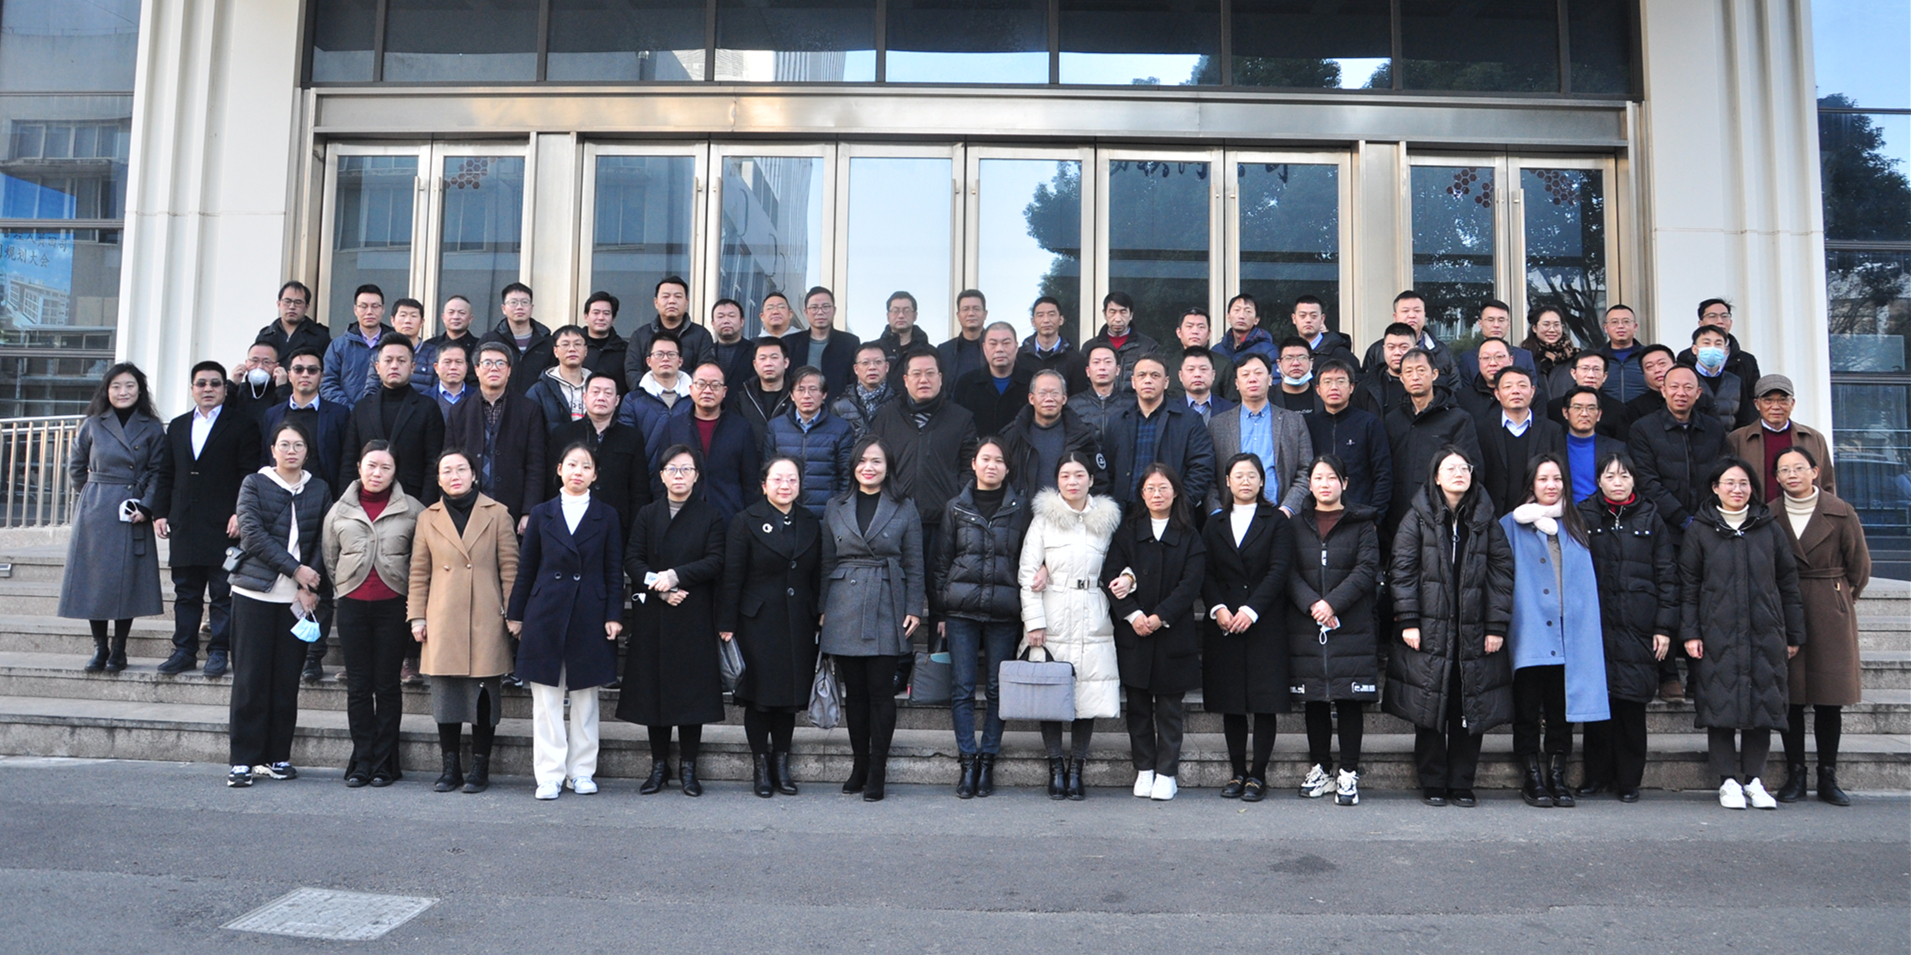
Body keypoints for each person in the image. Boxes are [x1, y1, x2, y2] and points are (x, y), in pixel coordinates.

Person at [1386, 447, 1515, 808]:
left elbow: (1502, 574)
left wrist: (1496, 625)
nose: (1459, 473)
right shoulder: (1417, 517)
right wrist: (1408, 620)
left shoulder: (1485, 518)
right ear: (1436, 477)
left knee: (1468, 705)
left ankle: (1461, 782)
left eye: (1465, 468)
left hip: (1473, 629)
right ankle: (1432, 781)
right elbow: (1402, 571)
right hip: (1429, 627)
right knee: (1429, 707)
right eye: (1450, 468)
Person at [1679, 457, 1807, 811]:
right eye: (1729, 483)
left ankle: (1754, 780)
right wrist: (1690, 632)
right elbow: (1688, 585)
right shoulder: (1701, 530)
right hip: (1716, 631)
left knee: (1762, 705)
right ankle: (1727, 781)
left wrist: (1793, 634)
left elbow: (1788, 583)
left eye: (1744, 483)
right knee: (1719, 705)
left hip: (1765, 631)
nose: (1737, 489)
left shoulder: (1768, 528)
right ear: (1715, 488)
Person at [506, 444, 624, 800]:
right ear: (559, 469)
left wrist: (614, 614)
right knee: (546, 699)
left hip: (590, 612)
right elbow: (527, 567)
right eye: (572, 464)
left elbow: (613, 569)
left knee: (586, 698)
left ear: (595, 474)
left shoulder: (607, 515)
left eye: (586, 466)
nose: (578, 471)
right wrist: (516, 613)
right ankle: (550, 774)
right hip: (546, 612)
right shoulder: (542, 513)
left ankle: (582, 771)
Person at [224, 420, 333, 788]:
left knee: (286, 680)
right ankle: (243, 760)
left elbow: (323, 540)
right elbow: (253, 535)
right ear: (272, 450)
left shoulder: (318, 488)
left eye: (298, 445)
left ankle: (277, 756)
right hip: (254, 594)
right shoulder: (254, 484)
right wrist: (296, 570)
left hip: (297, 599)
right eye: (284, 444)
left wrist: (310, 583)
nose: (291, 451)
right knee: (250, 679)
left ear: (307, 451)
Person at [821, 436, 927, 802]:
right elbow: (826, 560)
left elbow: (914, 562)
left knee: (881, 692)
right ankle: (860, 765)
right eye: (863, 461)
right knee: (855, 694)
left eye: (877, 461)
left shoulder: (904, 506)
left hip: (886, 599)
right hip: (843, 602)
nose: (869, 467)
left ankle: (878, 769)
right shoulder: (835, 505)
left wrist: (914, 606)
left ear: (888, 467)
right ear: (853, 466)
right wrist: (822, 607)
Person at [618, 444, 727, 797]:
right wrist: (659, 587)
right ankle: (659, 766)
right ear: (662, 475)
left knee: (692, 694)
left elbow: (715, 560)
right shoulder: (647, 514)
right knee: (655, 693)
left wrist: (676, 576)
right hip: (655, 612)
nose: (679, 476)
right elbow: (632, 559)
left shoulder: (710, 516)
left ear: (697, 476)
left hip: (693, 613)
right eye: (672, 470)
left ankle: (689, 768)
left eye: (686, 469)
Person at [1500, 453, 1608, 808]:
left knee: (1562, 711)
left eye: (1557, 479)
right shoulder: (1511, 524)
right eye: (1543, 479)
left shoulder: (1575, 522)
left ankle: (1557, 775)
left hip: (1570, 632)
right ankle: (1532, 777)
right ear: (1531, 484)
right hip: (1530, 631)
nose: (1551, 485)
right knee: (1527, 709)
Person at [409, 450, 519, 795]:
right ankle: (450, 767)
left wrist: (513, 614)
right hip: (442, 616)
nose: (454, 476)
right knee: (446, 696)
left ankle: (480, 767)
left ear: (474, 474)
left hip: (486, 615)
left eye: (461, 469)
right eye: (447, 471)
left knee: (484, 696)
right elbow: (418, 571)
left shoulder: (497, 513)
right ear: (438, 479)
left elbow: (510, 568)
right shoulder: (427, 517)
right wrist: (417, 616)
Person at [931, 437, 1032, 798]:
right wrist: (941, 609)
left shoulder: (1021, 508)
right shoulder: (956, 508)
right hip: (961, 611)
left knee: (996, 689)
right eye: (985, 459)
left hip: (1004, 611)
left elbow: (1029, 555)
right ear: (973, 464)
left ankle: (988, 759)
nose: (992, 466)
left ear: (1007, 468)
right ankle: (967, 762)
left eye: (999, 460)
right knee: (961, 688)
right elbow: (941, 562)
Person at [1019, 452, 1123, 801]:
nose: (1072, 481)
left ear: (1091, 479)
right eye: (1065, 475)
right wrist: (1034, 621)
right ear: (1057, 480)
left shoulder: (1106, 519)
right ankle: (1055, 767)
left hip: (1093, 610)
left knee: (1087, 694)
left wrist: (1127, 579)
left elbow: (1123, 562)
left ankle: (1076, 768)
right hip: (1053, 612)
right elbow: (1027, 572)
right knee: (1050, 692)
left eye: (1079, 475)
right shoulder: (1043, 519)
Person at [718, 456, 824, 798]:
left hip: (798, 621)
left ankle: (782, 763)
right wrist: (726, 621)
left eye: (792, 479)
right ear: (764, 485)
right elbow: (732, 575)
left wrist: (820, 611)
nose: (785, 486)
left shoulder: (810, 522)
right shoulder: (745, 521)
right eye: (777, 479)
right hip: (757, 622)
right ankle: (760, 767)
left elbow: (818, 573)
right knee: (759, 698)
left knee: (788, 699)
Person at [1771, 446, 1870, 807]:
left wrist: (1840, 597)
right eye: (1784, 470)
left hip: (1830, 607)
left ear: (1815, 472)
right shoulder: (1770, 514)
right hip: (1786, 605)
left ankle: (1828, 775)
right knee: (1792, 698)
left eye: (1799, 468)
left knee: (1830, 698)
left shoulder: (1840, 511)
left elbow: (1859, 566)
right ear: (1777, 478)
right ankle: (1795, 773)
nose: (1792, 475)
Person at [1101, 463, 1206, 802]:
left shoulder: (1189, 535)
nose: (1157, 494)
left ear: (1175, 492)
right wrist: (1133, 615)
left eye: (1163, 488)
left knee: (1170, 710)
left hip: (1172, 634)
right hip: (1135, 633)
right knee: (1138, 708)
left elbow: (1191, 584)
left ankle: (1166, 772)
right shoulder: (1128, 532)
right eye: (1150, 488)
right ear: (1142, 494)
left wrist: (1160, 616)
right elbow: (1110, 575)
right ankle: (1144, 767)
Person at [1577, 452, 1679, 802]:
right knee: (1598, 705)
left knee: (1631, 705)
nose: (1617, 483)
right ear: (1598, 481)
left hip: (1639, 624)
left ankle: (1628, 780)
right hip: (1596, 624)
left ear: (1634, 480)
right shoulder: (1584, 515)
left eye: (1624, 476)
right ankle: (1596, 776)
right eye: (1609, 476)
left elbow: (1667, 575)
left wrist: (1664, 626)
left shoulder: (1651, 516)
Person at [321, 442, 423, 787]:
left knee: (388, 685)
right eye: (371, 465)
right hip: (352, 605)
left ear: (395, 473)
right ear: (359, 467)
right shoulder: (340, 509)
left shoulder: (412, 509)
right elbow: (330, 557)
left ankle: (384, 764)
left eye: (385, 467)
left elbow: (420, 559)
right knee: (359, 687)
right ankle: (361, 761)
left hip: (393, 606)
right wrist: (346, 584)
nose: (377, 473)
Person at [153, 361, 261, 678]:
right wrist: (160, 512)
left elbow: (248, 474)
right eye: (201, 383)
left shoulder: (242, 425)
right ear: (192, 389)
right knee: (186, 592)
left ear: (225, 389)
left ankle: (218, 651)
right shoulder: (177, 426)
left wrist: (241, 513)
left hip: (224, 523)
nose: (208, 389)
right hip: (184, 521)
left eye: (215, 383)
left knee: (222, 593)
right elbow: (166, 472)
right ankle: (184, 651)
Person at [1199, 453, 1295, 803]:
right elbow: (1205, 571)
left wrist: (1251, 610)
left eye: (1252, 475)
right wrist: (1218, 608)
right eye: (1238, 475)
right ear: (1227, 481)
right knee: (1232, 702)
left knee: (1264, 701)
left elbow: (1279, 569)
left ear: (1262, 481)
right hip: (1224, 623)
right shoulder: (1214, 522)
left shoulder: (1277, 520)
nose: (1244, 481)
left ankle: (1258, 775)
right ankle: (1237, 771)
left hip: (1264, 621)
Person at [1629, 363, 1727, 704]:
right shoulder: (1644, 429)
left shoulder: (1713, 429)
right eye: (1674, 387)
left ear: (1698, 393)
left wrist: (1704, 519)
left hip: (1708, 528)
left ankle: (1701, 675)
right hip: (1663, 528)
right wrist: (1682, 518)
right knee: (1665, 597)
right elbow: (1646, 481)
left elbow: (1722, 476)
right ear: (1663, 390)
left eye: (1688, 387)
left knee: (1704, 599)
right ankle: (1668, 673)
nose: (1681, 393)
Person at [60, 364, 166, 674]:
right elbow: (76, 466)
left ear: (139, 390)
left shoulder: (152, 427)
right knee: (94, 579)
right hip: (97, 509)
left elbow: (159, 471)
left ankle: (119, 648)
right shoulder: (93, 424)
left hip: (133, 509)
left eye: (130, 385)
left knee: (126, 580)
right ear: (107, 391)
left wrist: (146, 506)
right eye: (116, 386)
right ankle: (100, 647)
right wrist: (94, 493)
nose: (123, 392)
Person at [1287, 455, 1380, 806]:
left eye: (1331, 478)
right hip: (1307, 624)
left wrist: (1332, 604)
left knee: (1348, 699)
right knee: (1314, 699)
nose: (1324, 484)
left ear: (1345, 483)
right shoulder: (1295, 525)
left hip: (1350, 624)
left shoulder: (1362, 523)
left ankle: (1348, 772)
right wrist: (1313, 603)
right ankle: (1322, 768)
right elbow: (1287, 571)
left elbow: (1366, 569)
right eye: (1318, 478)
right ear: (1309, 484)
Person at [870, 349, 978, 586]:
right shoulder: (886, 417)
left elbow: (970, 468)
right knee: (896, 589)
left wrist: (955, 500)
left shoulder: (961, 419)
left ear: (940, 377)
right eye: (917, 374)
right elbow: (873, 462)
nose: (923, 380)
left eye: (930, 373)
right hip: (895, 519)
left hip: (944, 523)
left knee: (939, 589)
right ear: (905, 379)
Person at [448, 341, 549, 531]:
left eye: (500, 363)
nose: (494, 368)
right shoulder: (459, 412)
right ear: (476, 370)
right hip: (467, 509)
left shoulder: (529, 410)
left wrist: (529, 511)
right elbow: (449, 463)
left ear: (509, 370)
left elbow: (535, 465)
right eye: (487, 363)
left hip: (513, 508)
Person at [1383, 348, 1481, 539]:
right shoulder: (1392, 420)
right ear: (1401, 378)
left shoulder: (1458, 418)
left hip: (1442, 518)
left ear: (1434, 374)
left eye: (1421, 370)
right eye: (1408, 372)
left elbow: (1472, 469)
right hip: (1398, 518)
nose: (1415, 377)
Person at [342, 335, 447, 507]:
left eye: (401, 360)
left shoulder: (428, 408)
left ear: (412, 367)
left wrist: (425, 507)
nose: (394, 366)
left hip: (412, 502)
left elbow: (433, 463)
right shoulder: (362, 408)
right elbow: (349, 460)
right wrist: (348, 504)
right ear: (377, 367)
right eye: (388, 360)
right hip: (365, 503)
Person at [1103, 354, 1217, 514]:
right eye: (1142, 375)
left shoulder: (1188, 420)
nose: (1148, 380)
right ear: (1133, 382)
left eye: (1155, 375)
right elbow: (1107, 471)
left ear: (1166, 382)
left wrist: (1181, 504)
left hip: (1172, 515)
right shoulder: (1118, 421)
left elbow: (1202, 467)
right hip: (1125, 514)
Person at [1204, 353, 1311, 516]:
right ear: (1237, 383)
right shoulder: (1218, 424)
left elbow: (1306, 470)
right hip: (1230, 516)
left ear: (1270, 379)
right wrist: (1217, 513)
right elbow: (1208, 475)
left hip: (1280, 514)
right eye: (1245, 374)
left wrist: (1287, 510)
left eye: (1258, 373)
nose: (1252, 379)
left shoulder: (1293, 421)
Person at [548, 373, 652, 540]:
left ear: (617, 400)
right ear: (585, 397)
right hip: (569, 523)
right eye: (595, 392)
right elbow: (552, 483)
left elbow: (639, 491)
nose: (601, 397)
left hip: (617, 527)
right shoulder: (563, 434)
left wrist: (636, 533)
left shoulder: (632, 438)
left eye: (608, 393)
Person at [660, 362, 760, 523]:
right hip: (682, 515)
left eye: (715, 385)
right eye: (701, 384)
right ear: (691, 389)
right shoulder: (674, 427)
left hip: (729, 515)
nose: (707, 390)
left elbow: (750, 482)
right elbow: (661, 476)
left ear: (724, 391)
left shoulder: (741, 428)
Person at [1307, 359, 1392, 524]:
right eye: (1327, 382)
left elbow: (1383, 474)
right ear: (1318, 389)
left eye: (1341, 381)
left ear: (1352, 387)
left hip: (1360, 515)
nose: (1334, 387)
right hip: (1318, 516)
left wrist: (1376, 517)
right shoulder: (1310, 425)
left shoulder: (1369, 423)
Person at [763, 365, 855, 518]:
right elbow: (767, 472)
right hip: (785, 511)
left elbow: (846, 476)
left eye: (813, 389)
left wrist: (839, 511)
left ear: (824, 394)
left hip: (825, 513)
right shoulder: (775, 427)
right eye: (800, 390)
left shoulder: (841, 428)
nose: (806, 395)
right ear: (792, 395)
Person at [999, 369, 1107, 497]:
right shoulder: (1013, 435)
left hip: (1069, 507)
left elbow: (1100, 480)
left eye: (1055, 393)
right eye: (1043, 393)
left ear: (1064, 398)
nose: (1049, 399)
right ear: (1031, 398)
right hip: (1023, 508)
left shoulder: (1082, 435)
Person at [1727, 374, 1835, 502]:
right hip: (1755, 512)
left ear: (1792, 403)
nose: (1776, 407)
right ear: (1757, 404)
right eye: (1768, 400)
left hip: (1803, 511)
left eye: (1783, 400)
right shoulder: (1738, 439)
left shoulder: (1813, 438)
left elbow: (1827, 484)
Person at [1475, 367, 1566, 517]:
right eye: (1508, 386)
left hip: (1540, 516)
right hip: (1494, 516)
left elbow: (1562, 475)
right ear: (1497, 394)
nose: (1515, 391)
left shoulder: (1552, 430)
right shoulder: (1482, 430)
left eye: (1522, 386)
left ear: (1532, 391)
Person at [264, 348, 351, 491]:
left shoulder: (339, 414)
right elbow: (265, 458)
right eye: (298, 369)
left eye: (312, 370)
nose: (305, 375)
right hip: (278, 495)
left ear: (321, 376)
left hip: (325, 495)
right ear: (289, 375)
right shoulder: (272, 414)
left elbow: (347, 461)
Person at [625, 276, 715, 389]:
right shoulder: (640, 336)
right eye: (666, 296)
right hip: (647, 397)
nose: (672, 301)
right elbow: (632, 371)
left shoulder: (701, 335)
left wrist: (682, 392)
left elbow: (705, 372)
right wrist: (651, 392)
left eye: (678, 296)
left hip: (689, 397)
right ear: (656, 302)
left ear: (686, 302)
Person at [617, 332, 694, 459]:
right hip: (645, 470)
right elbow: (626, 446)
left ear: (680, 361)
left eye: (671, 354)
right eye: (659, 354)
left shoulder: (695, 399)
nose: (665, 359)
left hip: (687, 470)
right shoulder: (633, 400)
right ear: (648, 361)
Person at [320, 284, 393, 407]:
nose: (369, 312)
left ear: (383, 309)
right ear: (355, 310)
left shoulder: (395, 345)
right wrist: (351, 410)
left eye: (375, 306)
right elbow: (327, 384)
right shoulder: (338, 345)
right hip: (347, 414)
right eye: (363, 306)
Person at [953, 322, 1030, 437]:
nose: (999, 349)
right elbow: (958, 427)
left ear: (1016, 347)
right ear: (984, 348)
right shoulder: (966, 384)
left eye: (1006, 343)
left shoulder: (1033, 383)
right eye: (993, 344)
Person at [1362, 291, 1457, 380]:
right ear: (1395, 317)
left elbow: (1454, 385)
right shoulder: (1376, 350)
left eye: (1417, 310)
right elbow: (1368, 384)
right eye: (1405, 311)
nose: (1412, 315)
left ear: (1424, 315)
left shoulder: (1442, 351)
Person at [479, 282, 553, 395]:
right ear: (504, 308)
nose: (519, 307)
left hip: (537, 404)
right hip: (498, 402)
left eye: (524, 302)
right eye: (513, 302)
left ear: (531, 307)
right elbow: (473, 374)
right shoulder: (490, 340)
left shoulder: (547, 341)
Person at [1560, 387, 1627, 504]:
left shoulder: (1616, 448)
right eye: (1577, 407)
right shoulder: (1554, 446)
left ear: (1599, 414)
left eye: (1591, 408)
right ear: (1566, 413)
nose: (1584, 414)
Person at [1677, 298, 1762, 389]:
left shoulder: (1747, 360)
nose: (1720, 321)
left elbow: (1753, 394)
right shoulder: (1685, 357)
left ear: (1730, 322)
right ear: (1701, 323)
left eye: (1724, 316)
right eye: (1712, 316)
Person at [1081, 291, 1159, 389]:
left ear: (1131, 315)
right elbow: (1082, 382)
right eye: (1112, 312)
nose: (1117, 318)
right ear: (1105, 314)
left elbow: (1156, 380)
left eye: (1123, 312)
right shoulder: (1090, 347)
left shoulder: (1148, 346)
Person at [360, 297, 436, 396]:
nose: (407, 321)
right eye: (403, 315)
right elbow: (371, 390)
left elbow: (437, 392)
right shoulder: (379, 354)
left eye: (413, 316)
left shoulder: (434, 355)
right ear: (392, 320)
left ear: (422, 322)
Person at [523, 325, 592, 433]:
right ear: (555, 351)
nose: (572, 349)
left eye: (577, 344)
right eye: (565, 344)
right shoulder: (539, 391)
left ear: (586, 350)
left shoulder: (598, 386)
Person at [1544, 352, 1628, 441]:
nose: (1590, 375)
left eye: (1596, 369)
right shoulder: (1554, 407)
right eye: (1585, 368)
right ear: (1573, 373)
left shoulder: (1618, 409)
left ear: (1604, 376)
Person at [1683, 324, 1752, 431]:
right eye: (1706, 343)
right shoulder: (1685, 379)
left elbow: (1744, 419)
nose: (1712, 348)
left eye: (1718, 344)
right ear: (1695, 349)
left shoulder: (1735, 382)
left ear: (1725, 351)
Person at [795, 286, 861, 396]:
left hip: (838, 405)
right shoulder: (791, 343)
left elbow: (855, 382)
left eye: (825, 307)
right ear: (806, 312)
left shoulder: (850, 343)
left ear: (834, 310)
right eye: (814, 307)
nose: (820, 312)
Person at [1015, 296, 1088, 394]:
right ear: (1033, 322)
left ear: (1061, 320)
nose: (1046, 320)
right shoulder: (1018, 357)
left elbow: (1078, 398)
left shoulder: (1076, 360)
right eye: (1040, 315)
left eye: (1051, 314)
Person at [1458, 300, 1538, 386]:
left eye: (1501, 320)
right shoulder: (1467, 358)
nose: (1496, 325)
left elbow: (1532, 389)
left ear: (1508, 324)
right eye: (1490, 320)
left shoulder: (1524, 356)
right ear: (1480, 324)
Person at [1165, 307, 1237, 403]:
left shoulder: (1224, 364)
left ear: (1209, 334)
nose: (1195, 331)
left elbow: (1233, 403)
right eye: (1189, 326)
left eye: (1201, 327)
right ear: (1179, 332)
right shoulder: (1167, 365)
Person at [732, 336, 793, 446]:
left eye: (774, 357)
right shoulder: (743, 398)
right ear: (755, 365)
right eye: (762, 358)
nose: (768, 363)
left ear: (786, 363)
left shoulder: (797, 397)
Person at [1069, 341, 1137, 436]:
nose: (1102, 367)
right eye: (1096, 362)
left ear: (1117, 370)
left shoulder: (1133, 404)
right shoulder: (1073, 405)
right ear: (1088, 371)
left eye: (1108, 362)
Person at [255, 280, 330, 363]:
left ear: (306, 307)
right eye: (287, 301)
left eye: (298, 302)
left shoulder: (320, 336)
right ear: (279, 304)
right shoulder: (265, 336)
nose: (292, 307)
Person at [832, 342, 897, 436]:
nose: (872, 367)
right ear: (856, 369)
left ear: (886, 367)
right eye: (865, 363)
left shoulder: (899, 402)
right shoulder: (840, 406)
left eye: (878, 362)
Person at [1352, 322, 1416, 417]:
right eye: (1391, 347)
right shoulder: (1367, 386)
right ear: (1384, 349)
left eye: (1404, 347)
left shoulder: (1429, 384)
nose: (1397, 353)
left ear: (1415, 349)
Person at [1520, 305, 1580, 399]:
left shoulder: (1575, 357)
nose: (1552, 330)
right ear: (1534, 328)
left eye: (1556, 325)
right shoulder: (1524, 357)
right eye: (1546, 324)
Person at [875, 291, 932, 389]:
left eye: (906, 311)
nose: (901, 315)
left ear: (915, 316)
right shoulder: (875, 350)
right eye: (895, 311)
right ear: (888, 316)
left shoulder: (928, 351)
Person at [578, 291, 630, 395]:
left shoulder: (625, 350)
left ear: (613, 319)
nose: (601, 318)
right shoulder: (575, 347)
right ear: (586, 316)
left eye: (606, 313)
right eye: (596, 312)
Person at [1595, 305, 1650, 403]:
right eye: (1614, 322)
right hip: (1606, 411)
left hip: (1644, 411)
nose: (1620, 326)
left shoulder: (1648, 356)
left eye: (1626, 321)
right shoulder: (1596, 358)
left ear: (1635, 327)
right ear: (1606, 328)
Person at [228, 342, 289, 427]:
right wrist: (232, 385)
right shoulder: (237, 391)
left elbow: (287, 417)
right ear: (246, 363)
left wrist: (282, 388)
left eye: (266, 362)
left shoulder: (282, 392)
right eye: (254, 361)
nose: (259, 367)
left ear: (276, 366)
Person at [1291, 295, 1358, 373]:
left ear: (1322, 319)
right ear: (1294, 318)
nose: (1308, 320)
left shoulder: (1341, 354)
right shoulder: (1287, 352)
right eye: (1303, 316)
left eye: (1314, 316)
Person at [424, 295, 479, 386]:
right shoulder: (429, 345)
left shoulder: (479, 347)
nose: (456, 317)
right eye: (451, 312)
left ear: (470, 319)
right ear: (443, 317)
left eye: (461, 313)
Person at [938, 288, 989, 384]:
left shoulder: (995, 349)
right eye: (966, 309)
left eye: (976, 309)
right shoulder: (944, 351)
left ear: (985, 314)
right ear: (958, 315)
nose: (971, 313)